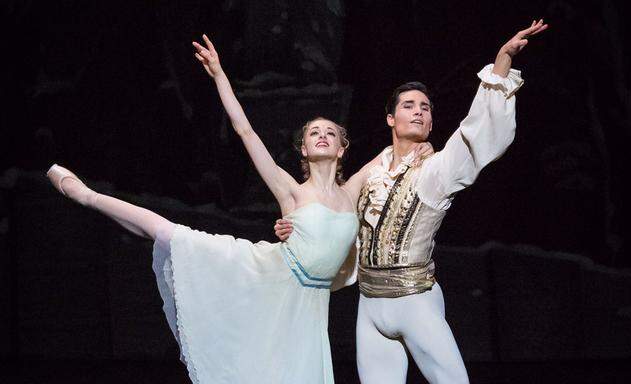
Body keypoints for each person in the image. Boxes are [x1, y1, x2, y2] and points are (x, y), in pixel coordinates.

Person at [46, 34, 430, 384]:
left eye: (331, 132)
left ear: (342, 148)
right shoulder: (290, 192)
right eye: (315, 132)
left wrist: (425, 147)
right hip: (270, 273)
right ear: (304, 149)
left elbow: (396, 151)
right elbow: (245, 130)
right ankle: (85, 195)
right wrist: (219, 75)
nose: (323, 135)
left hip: (308, 306)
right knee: (170, 233)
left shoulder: (353, 190)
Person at [274, 20, 549, 384]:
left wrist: (501, 63)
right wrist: (293, 227)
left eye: (425, 107)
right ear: (391, 118)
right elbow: (331, 210)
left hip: (415, 300)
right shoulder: (371, 174)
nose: (419, 111)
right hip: (369, 306)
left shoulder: (435, 171)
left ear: (432, 123)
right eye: (409, 105)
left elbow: (475, 135)